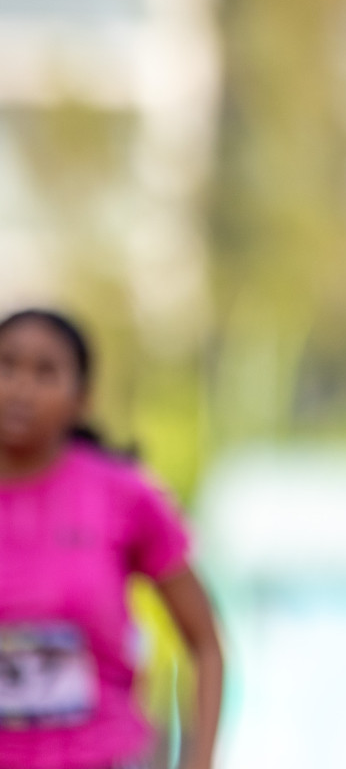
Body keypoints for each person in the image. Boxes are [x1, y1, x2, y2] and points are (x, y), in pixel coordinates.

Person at [0, 310, 223, 769]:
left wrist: (198, 761)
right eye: (6, 366)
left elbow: (204, 644)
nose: (20, 388)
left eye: (45, 372)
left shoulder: (124, 495)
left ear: (81, 397)